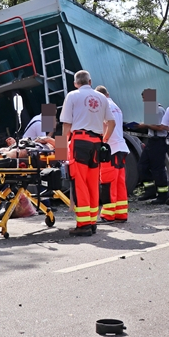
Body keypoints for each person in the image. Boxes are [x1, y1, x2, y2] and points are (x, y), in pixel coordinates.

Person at [59, 70, 115, 236]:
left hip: (79, 142)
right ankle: (92, 222)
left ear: (75, 83)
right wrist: (104, 140)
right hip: (96, 143)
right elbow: (111, 123)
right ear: (90, 82)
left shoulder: (72, 96)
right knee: (92, 182)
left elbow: (66, 126)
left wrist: (61, 151)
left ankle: (83, 225)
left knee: (80, 182)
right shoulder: (102, 98)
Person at [94, 86, 129, 223]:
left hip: (111, 149)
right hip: (121, 148)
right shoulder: (116, 107)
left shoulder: (104, 106)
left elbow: (110, 124)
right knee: (119, 183)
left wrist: (104, 141)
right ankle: (121, 214)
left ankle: (108, 215)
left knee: (108, 182)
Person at [134, 89, 169, 204]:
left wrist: (144, 125)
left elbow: (161, 128)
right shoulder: (150, 109)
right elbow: (151, 126)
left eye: (144, 98)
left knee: (158, 169)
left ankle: (163, 195)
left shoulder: (158, 110)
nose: (143, 101)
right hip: (151, 141)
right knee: (142, 166)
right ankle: (150, 191)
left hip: (159, 142)